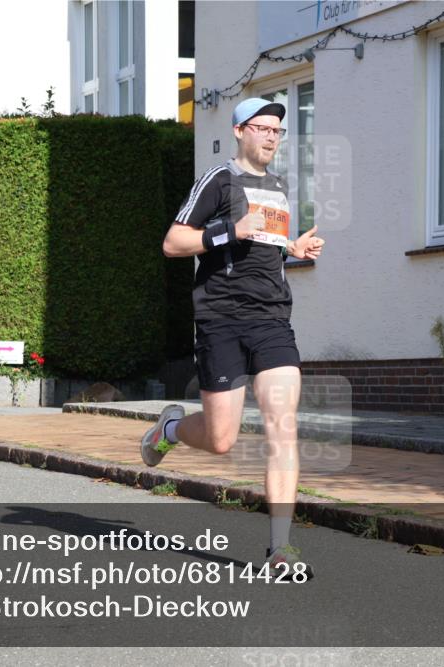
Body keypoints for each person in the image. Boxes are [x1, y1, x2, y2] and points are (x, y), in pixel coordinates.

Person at [140, 97, 325, 571]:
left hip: (272, 321)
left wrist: (293, 247)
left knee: (282, 425)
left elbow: (262, 246)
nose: (271, 137)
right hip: (220, 319)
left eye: (277, 131)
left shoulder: (280, 187)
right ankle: (172, 429)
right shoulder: (217, 180)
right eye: (262, 128)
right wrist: (229, 230)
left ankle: (280, 548)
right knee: (221, 439)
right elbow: (173, 242)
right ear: (240, 130)